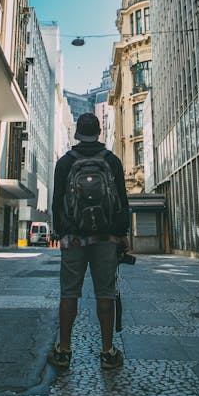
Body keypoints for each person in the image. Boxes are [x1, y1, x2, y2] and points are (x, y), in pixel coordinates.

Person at [47, 112, 130, 370]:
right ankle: (107, 352)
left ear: (77, 135)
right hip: (106, 237)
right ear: (99, 133)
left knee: (69, 293)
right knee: (105, 293)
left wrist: (61, 231)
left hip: (73, 237)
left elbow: (57, 200)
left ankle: (64, 350)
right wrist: (122, 235)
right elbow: (122, 202)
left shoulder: (64, 163)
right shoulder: (112, 161)